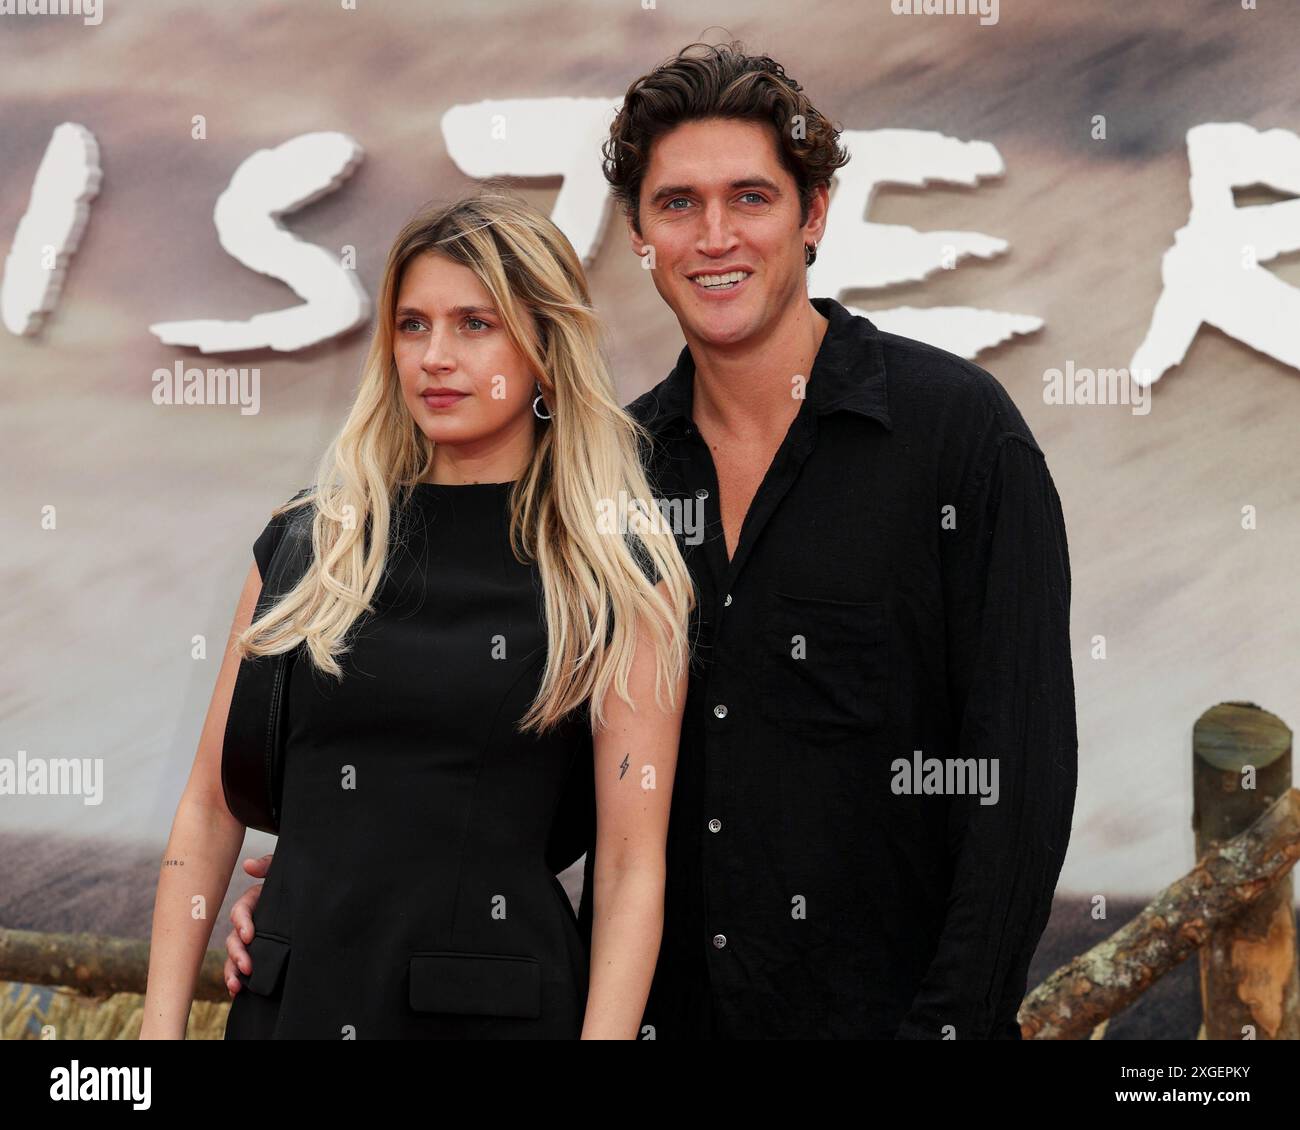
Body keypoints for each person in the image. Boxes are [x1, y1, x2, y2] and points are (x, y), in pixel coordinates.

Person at [227, 40, 1078, 1040]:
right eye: (677, 204)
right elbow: (489, 730)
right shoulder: (603, 477)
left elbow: (1017, 776)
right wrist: (347, 864)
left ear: (812, 215)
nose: (713, 236)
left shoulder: (958, 438)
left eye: (750, 197)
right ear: (637, 232)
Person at [140, 190, 694, 1039]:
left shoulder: (615, 574)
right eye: (413, 324)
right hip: (294, 1008)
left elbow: (628, 869)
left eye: (476, 324)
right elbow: (211, 810)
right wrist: (157, 1035)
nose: (436, 356)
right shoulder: (310, 544)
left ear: (544, 346)